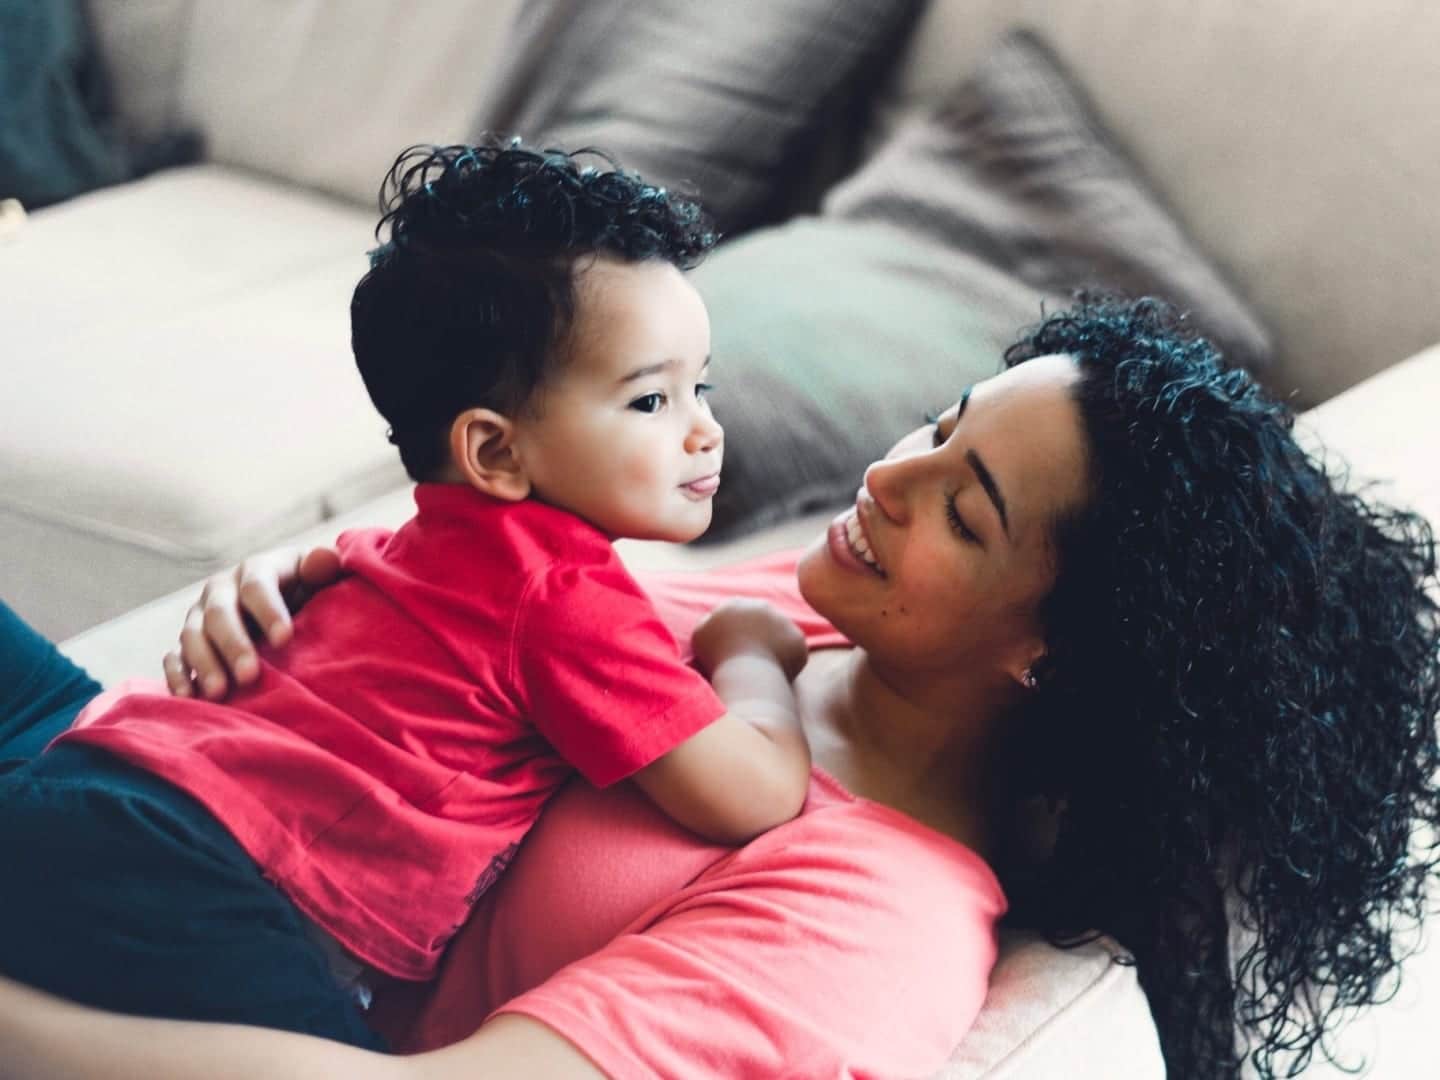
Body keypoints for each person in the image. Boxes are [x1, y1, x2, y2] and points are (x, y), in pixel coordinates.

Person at [2, 297, 1437, 1079]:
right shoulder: (789, 624)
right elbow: (491, 618)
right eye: (941, 423)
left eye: (966, 507)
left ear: (1052, 652)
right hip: (133, 781)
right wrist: (307, 592)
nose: (887, 475)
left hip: (166, 964)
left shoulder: (871, 927)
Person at [0, 140, 817, 1045]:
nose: (706, 431)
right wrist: (752, 652)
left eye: (698, 387)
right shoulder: (563, 596)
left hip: (91, 780)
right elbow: (754, 794)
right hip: (199, 878)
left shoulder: (404, 548)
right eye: (651, 403)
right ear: (495, 451)